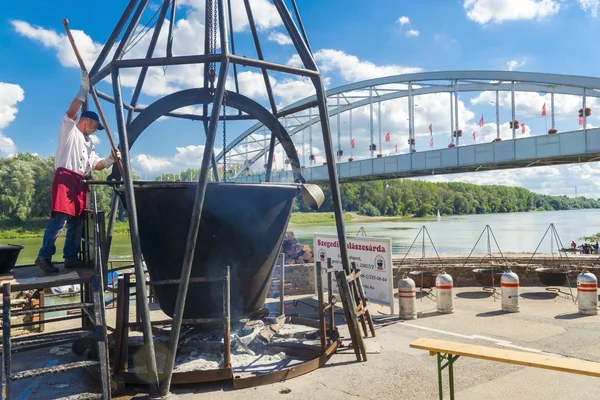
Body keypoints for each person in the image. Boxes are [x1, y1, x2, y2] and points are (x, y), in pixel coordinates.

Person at [35, 70, 120, 273]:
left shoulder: (89, 143)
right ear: (86, 120)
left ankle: (70, 257)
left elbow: (95, 165)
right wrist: (84, 90)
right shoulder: (70, 131)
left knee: (77, 221)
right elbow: (72, 111)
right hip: (65, 178)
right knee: (59, 219)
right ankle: (44, 256)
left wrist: (110, 159)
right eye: (94, 125)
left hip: (80, 182)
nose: (95, 129)